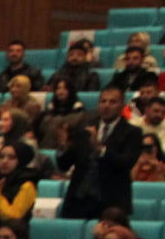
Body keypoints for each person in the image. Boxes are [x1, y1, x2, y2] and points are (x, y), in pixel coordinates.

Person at [60, 88, 142, 220]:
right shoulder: (85, 130)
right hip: (78, 201)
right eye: (103, 101)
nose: (106, 105)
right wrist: (63, 147)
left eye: (112, 102)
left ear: (122, 106)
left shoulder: (132, 132)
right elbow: (64, 165)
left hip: (111, 201)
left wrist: (101, 149)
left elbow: (127, 162)